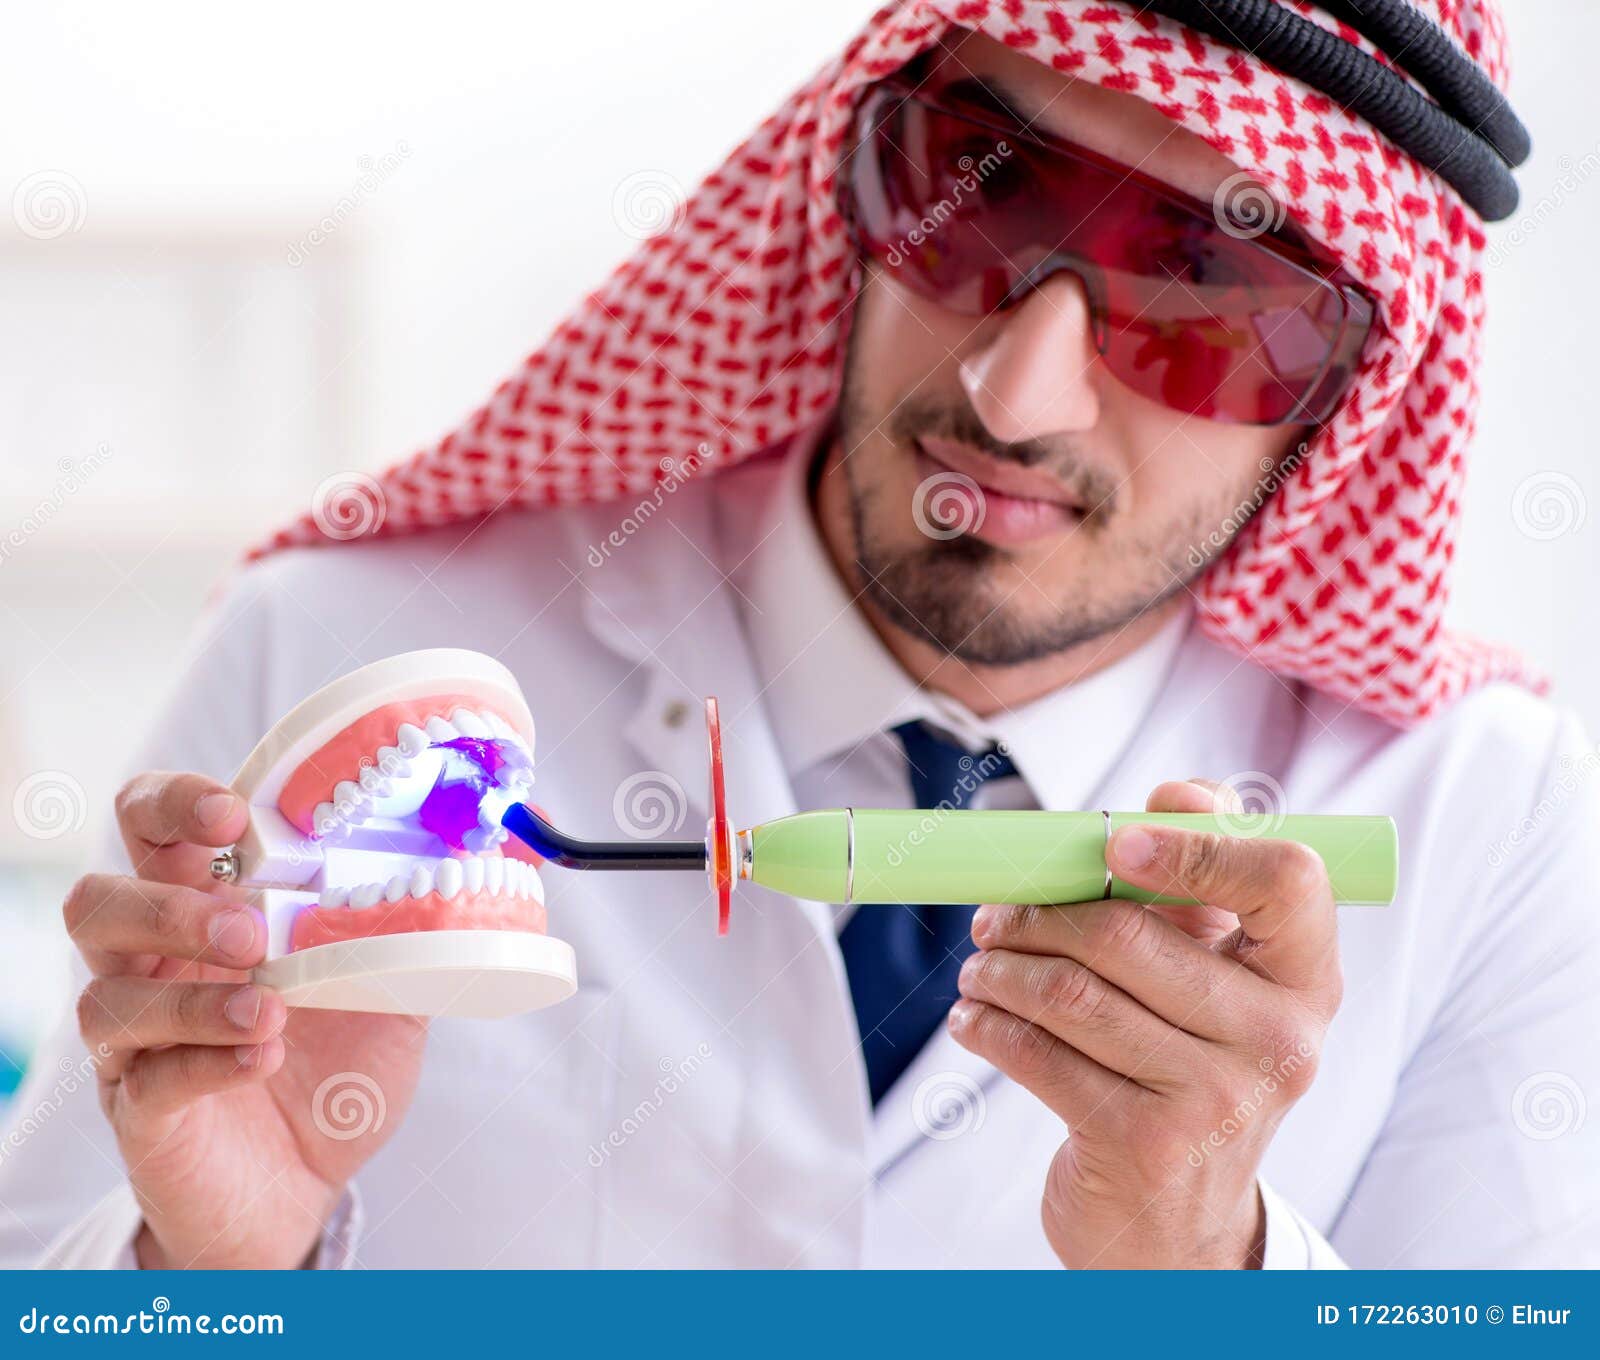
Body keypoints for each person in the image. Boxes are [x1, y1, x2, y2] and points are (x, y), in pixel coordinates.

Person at [3, 0, 1595, 1270]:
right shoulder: (350, 664)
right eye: (980, 193)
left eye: (1204, 294)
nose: (1012, 397)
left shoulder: (1484, 820)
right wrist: (211, 1276)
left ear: (1349, 393)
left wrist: (1216, 1277)